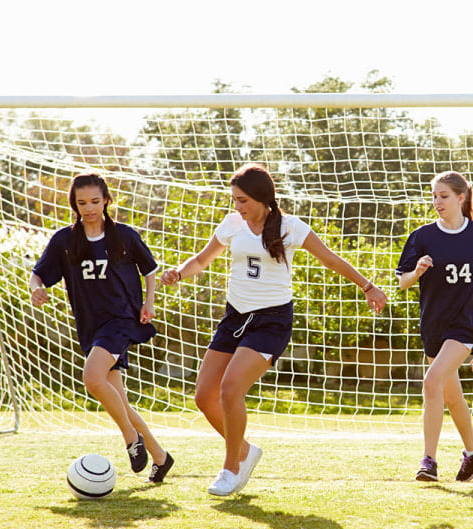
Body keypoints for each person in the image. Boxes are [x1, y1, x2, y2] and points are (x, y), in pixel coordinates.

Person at [161, 164, 387, 496]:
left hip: (271, 321)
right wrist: (178, 272)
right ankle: (245, 451)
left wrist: (368, 287)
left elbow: (331, 259)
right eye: (235, 200)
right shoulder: (232, 224)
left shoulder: (290, 227)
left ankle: (231, 469)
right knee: (203, 396)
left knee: (230, 389)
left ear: (263, 198)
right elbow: (201, 259)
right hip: (234, 318)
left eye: (243, 200)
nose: (238, 207)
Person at [30, 172, 174, 483]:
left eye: (95, 201)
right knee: (118, 398)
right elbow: (38, 274)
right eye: (82, 202)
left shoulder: (123, 235)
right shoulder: (64, 240)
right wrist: (36, 289)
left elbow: (150, 270)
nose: (89, 207)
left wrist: (149, 304)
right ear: (75, 204)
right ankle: (161, 457)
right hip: (90, 327)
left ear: (106, 200)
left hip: (121, 320)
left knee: (92, 378)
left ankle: (131, 440)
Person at [396, 170, 473, 483]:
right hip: (433, 326)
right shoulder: (423, 236)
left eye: (443, 196)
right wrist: (417, 271)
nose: (437, 202)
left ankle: (428, 461)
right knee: (451, 397)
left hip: (465, 326)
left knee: (431, 382)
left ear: (460, 198)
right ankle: (471, 453)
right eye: (434, 196)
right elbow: (402, 282)